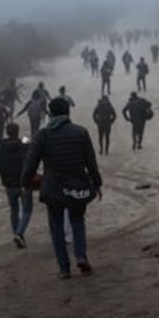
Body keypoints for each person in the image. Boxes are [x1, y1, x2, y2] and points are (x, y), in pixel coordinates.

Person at [21, 97, 103, 279]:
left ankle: (64, 268)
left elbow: (31, 163)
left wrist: (25, 184)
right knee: (77, 221)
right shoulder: (81, 132)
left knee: (56, 226)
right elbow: (91, 162)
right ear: (68, 112)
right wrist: (97, 183)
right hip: (77, 185)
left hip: (53, 187)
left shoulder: (42, 135)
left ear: (50, 113)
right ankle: (81, 256)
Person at [0, 122, 33, 247]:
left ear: (6, 132)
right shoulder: (24, 145)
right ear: (18, 131)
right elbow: (30, 143)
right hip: (25, 184)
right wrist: (24, 138)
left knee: (14, 210)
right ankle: (19, 233)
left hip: (9, 185)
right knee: (26, 210)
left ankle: (17, 233)